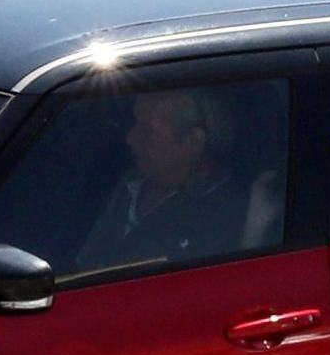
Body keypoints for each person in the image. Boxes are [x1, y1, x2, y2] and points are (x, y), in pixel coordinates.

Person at [95, 80, 284, 271]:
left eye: (147, 131)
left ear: (193, 142)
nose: (130, 138)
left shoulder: (226, 218)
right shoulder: (130, 182)